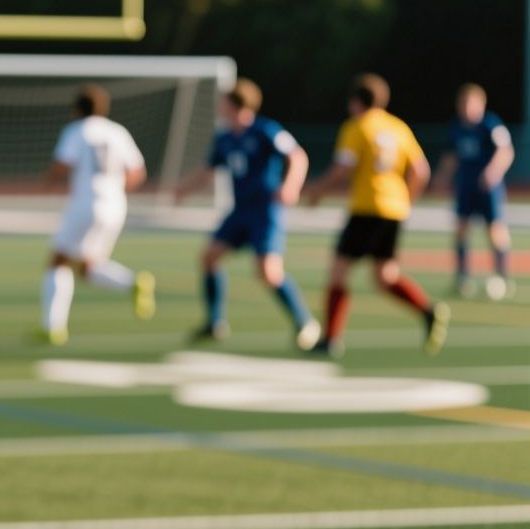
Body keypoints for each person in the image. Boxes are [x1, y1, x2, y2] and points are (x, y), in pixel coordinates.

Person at [303, 72, 449, 357]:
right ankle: (427, 311)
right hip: (394, 210)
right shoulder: (398, 127)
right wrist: (405, 200)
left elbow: (344, 166)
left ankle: (331, 338)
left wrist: (318, 190)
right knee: (385, 277)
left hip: (367, 208)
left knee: (338, 271)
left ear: (356, 101)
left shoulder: (357, 127)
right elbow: (421, 171)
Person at [174, 78, 320, 349]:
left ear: (235, 104)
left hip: (265, 210)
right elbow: (208, 170)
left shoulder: (265, 130)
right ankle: (215, 322)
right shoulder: (225, 138)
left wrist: (290, 186)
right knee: (209, 257)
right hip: (240, 210)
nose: (219, 107)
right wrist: (183, 190)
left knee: (268, 272)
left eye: (223, 102)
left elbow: (297, 156)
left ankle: (305, 322)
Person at [35, 83, 155, 345]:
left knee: (58, 261)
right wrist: (113, 189)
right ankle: (133, 283)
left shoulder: (77, 130)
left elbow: (62, 165)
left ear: (77, 109)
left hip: (86, 204)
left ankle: (52, 327)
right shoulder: (117, 131)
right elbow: (137, 173)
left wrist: (44, 184)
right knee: (88, 268)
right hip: (116, 206)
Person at [434, 82, 516, 299]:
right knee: (461, 229)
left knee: (495, 229)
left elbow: (506, 151)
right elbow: (450, 156)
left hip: (489, 188)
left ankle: (501, 275)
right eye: (462, 104)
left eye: (469, 104)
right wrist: (442, 177)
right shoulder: (456, 127)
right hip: (466, 186)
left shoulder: (490, 125)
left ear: (481, 104)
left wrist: (492, 172)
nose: (465, 108)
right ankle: (462, 277)